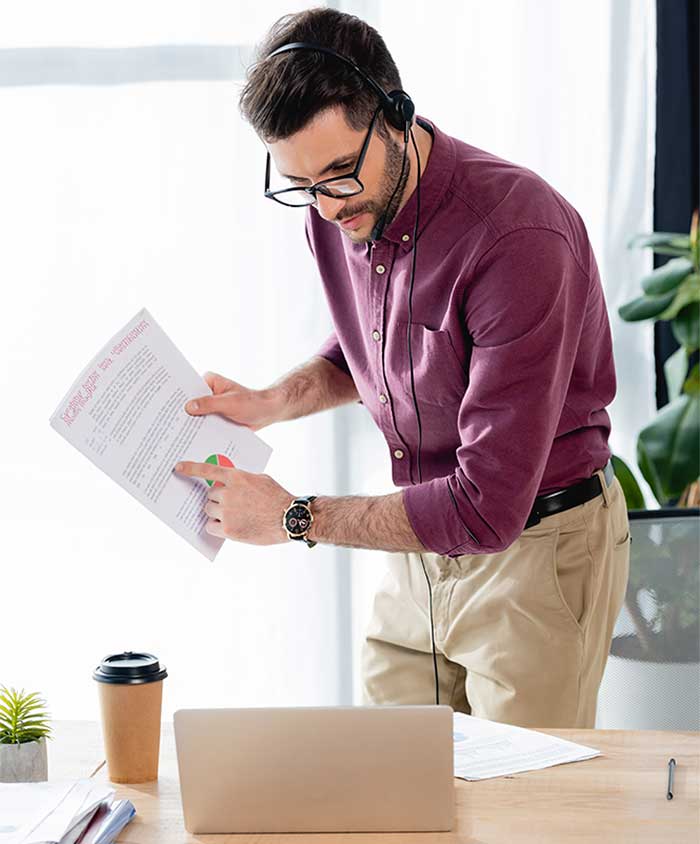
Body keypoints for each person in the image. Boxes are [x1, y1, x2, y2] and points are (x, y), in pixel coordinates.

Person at [174, 7, 631, 728]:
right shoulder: (340, 210)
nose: (325, 206)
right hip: (417, 546)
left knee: (522, 813)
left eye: (337, 173)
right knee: (393, 795)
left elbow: (486, 507)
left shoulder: (518, 236)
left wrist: (294, 517)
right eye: (299, 183)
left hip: (534, 553)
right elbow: (378, 345)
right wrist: (271, 401)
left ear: (396, 113)